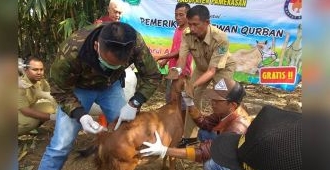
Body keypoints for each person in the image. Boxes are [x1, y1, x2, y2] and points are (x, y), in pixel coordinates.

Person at [38, 22, 161, 169]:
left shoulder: (135, 43)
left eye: (117, 65)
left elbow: (153, 76)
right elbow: (59, 89)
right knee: (61, 145)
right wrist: (80, 115)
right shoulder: (72, 50)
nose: (110, 68)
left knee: (125, 134)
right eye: (108, 64)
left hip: (111, 86)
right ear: (96, 46)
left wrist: (135, 102)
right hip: (79, 88)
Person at [140, 105, 302, 170]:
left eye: (217, 100)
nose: (212, 103)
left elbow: (206, 153)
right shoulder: (257, 130)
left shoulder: (238, 127)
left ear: (231, 104)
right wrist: (192, 109)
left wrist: (165, 150)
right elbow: (206, 130)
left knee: (212, 163)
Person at [170, 4, 236, 139]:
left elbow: (212, 70)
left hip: (222, 69)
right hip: (201, 69)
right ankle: (188, 138)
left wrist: (191, 85)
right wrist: (176, 72)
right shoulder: (187, 34)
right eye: (190, 24)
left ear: (207, 23)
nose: (192, 28)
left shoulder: (220, 38)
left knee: (223, 100)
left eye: (196, 24)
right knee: (190, 97)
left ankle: (225, 135)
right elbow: (182, 59)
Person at [18, 56, 57, 135]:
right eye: (35, 70)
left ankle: (32, 128)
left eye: (41, 69)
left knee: (50, 106)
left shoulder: (41, 81)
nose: (39, 72)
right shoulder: (20, 85)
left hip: (29, 107)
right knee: (32, 122)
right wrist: (52, 117)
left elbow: (51, 96)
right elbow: (25, 111)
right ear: (26, 70)